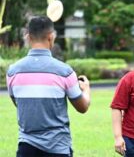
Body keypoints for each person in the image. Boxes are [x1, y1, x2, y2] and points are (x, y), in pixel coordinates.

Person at [6, 16, 91, 157]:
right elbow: (83, 107)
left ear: (28, 37)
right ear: (51, 37)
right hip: (58, 149)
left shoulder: (13, 72)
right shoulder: (65, 71)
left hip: (26, 148)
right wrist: (86, 89)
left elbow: (20, 104)